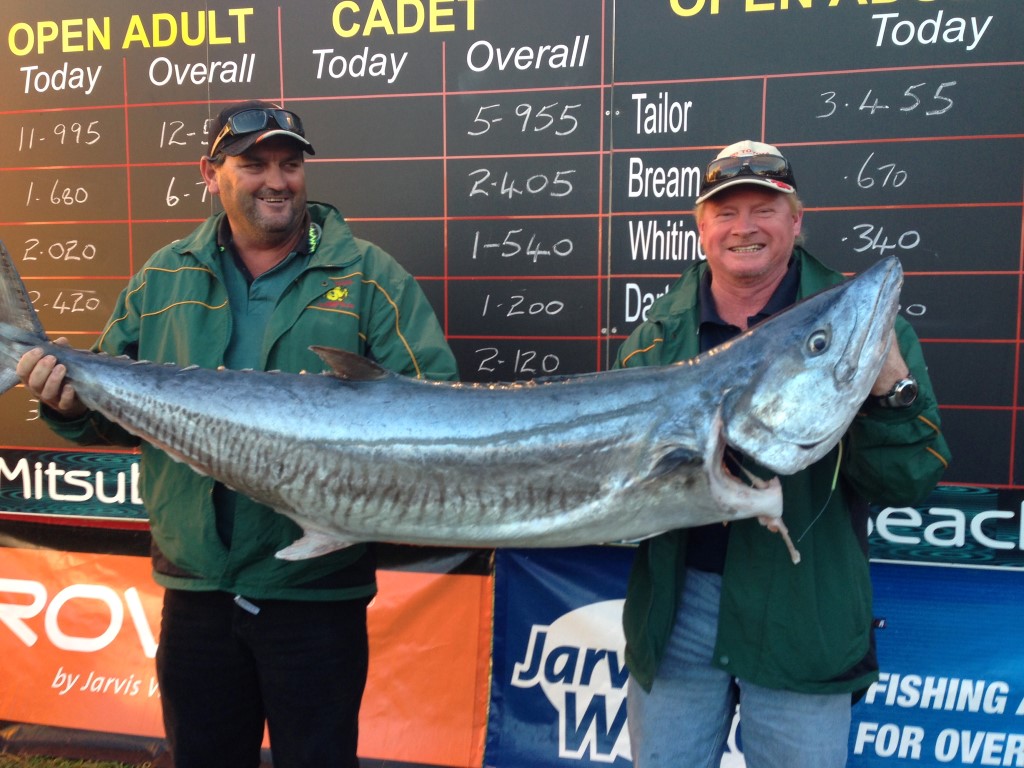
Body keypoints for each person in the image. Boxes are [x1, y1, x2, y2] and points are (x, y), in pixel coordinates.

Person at [16, 100, 459, 768]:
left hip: (316, 599)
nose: (276, 180)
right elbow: (107, 416)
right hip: (197, 589)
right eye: (253, 164)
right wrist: (69, 407)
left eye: (289, 164)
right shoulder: (163, 276)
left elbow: (441, 416)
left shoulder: (369, 276)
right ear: (211, 172)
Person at [615, 140, 951, 767]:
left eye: (764, 209)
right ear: (701, 228)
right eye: (725, 211)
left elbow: (909, 481)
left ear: (796, 221)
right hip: (677, 612)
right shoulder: (656, 338)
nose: (744, 227)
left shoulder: (861, 326)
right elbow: (616, 485)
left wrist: (891, 393)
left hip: (804, 617)